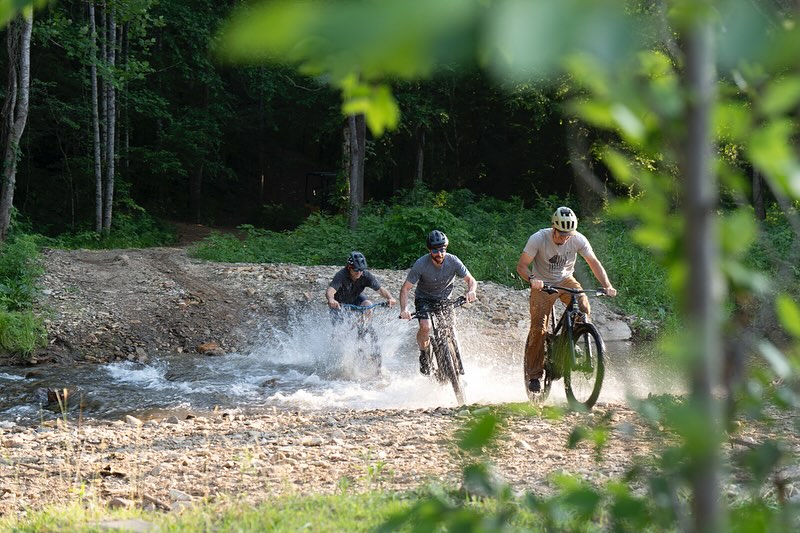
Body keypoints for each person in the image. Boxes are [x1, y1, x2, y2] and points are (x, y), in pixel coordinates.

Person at [516, 206, 617, 393]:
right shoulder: (538, 238)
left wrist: (607, 285)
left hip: (566, 280)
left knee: (583, 308)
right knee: (538, 327)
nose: (565, 239)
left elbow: (594, 262)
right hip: (542, 284)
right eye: (561, 235)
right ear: (553, 229)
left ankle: (570, 341)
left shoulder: (578, 239)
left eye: (568, 235)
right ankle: (534, 375)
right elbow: (522, 266)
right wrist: (532, 279)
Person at [399, 230, 478, 374]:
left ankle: (457, 361)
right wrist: (404, 309)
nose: (439, 254)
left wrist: (471, 291)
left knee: (451, 327)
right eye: (435, 250)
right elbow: (405, 289)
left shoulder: (453, 261)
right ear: (429, 250)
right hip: (424, 299)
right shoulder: (421, 264)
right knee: (425, 326)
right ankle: (424, 353)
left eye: (442, 249)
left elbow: (471, 280)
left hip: (444, 299)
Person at [326, 251, 396, 310]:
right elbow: (331, 290)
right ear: (349, 267)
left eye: (361, 270)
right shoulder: (341, 275)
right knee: (339, 321)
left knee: (368, 305)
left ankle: (364, 322)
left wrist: (390, 298)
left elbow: (380, 289)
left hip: (356, 298)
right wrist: (331, 299)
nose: (359, 273)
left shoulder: (366, 275)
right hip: (339, 303)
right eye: (356, 270)